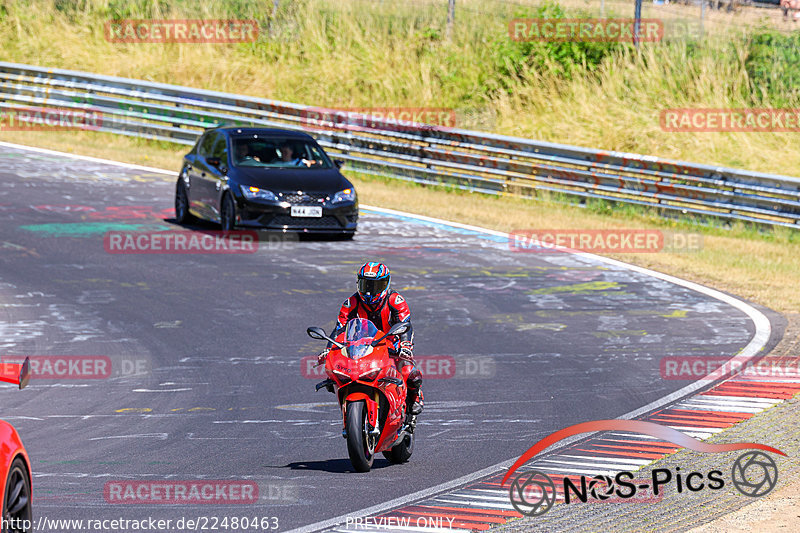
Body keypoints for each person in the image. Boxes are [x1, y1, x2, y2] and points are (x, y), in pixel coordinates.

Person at [317, 262, 424, 428]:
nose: (370, 290)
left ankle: (415, 398)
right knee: (335, 371)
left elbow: (405, 325)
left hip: (391, 344)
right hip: (360, 346)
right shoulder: (350, 302)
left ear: (386, 284)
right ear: (358, 283)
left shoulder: (396, 300)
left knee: (408, 371)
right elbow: (339, 328)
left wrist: (405, 346)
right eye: (366, 284)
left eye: (376, 285)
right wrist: (327, 350)